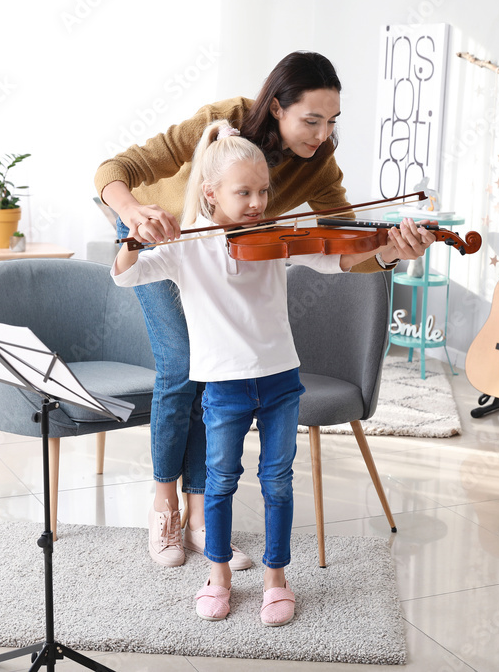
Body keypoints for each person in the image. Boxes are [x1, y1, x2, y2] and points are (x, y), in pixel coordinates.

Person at [94, 51, 432, 570]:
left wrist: (388, 251)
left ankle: (202, 511)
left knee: (219, 373)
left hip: (238, 246)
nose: (322, 134)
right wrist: (134, 213)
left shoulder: (318, 163)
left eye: (332, 121)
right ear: (276, 108)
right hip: (160, 236)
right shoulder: (220, 121)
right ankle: (164, 504)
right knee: (184, 364)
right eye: (311, 120)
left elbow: (340, 248)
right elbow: (116, 169)